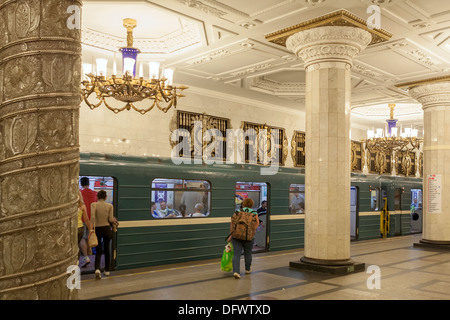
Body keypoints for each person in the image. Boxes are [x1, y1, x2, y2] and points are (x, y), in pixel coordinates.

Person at [227, 198, 259, 279]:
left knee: (237, 254)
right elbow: (257, 223)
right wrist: (252, 231)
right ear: (251, 205)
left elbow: (232, 224)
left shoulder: (238, 212)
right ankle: (247, 269)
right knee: (248, 253)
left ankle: (236, 272)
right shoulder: (254, 212)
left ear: (243, 204)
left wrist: (230, 235)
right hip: (249, 237)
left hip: (236, 236)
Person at [91, 190, 118, 279]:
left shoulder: (93, 205)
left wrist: (92, 229)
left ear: (97, 197)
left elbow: (93, 218)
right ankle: (107, 270)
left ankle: (97, 269)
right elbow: (110, 219)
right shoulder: (110, 206)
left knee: (98, 249)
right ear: (106, 197)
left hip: (97, 229)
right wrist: (114, 221)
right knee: (107, 249)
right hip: (106, 229)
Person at [80, 177, 97, 266]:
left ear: (81, 184)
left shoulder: (80, 193)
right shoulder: (95, 193)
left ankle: (86, 258)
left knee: (82, 239)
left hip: (82, 219)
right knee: (88, 238)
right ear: (89, 183)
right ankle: (88, 255)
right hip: (91, 221)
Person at [77, 191, 92, 267]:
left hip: (73, 229)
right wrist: (91, 230)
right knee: (81, 242)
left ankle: (75, 263)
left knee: (74, 247)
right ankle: (85, 258)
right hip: (81, 228)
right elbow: (86, 219)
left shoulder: (70, 206)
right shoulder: (82, 206)